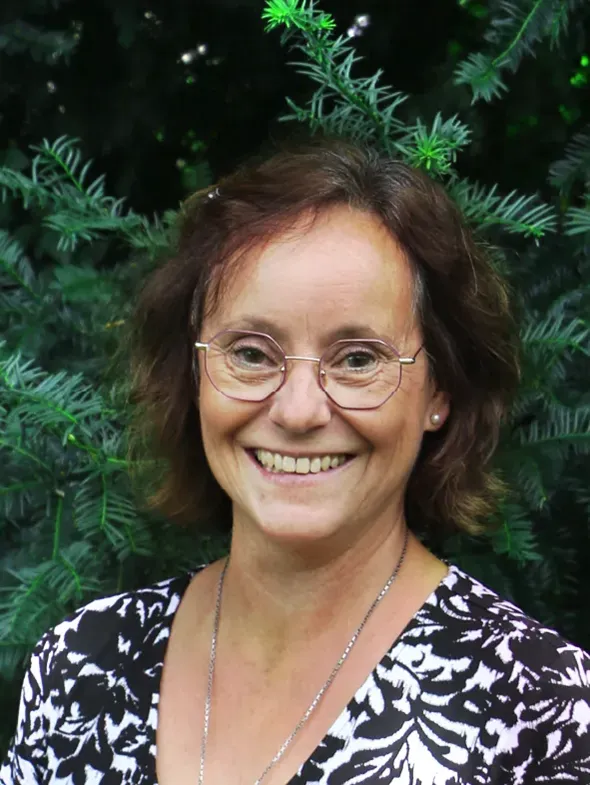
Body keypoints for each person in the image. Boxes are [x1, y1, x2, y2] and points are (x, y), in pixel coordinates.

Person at [2, 138, 589, 785]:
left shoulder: (539, 709)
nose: (299, 410)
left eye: (358, 359)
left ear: (440, 392)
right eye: (251, 354)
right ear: (193, 374)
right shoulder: (82, 665)